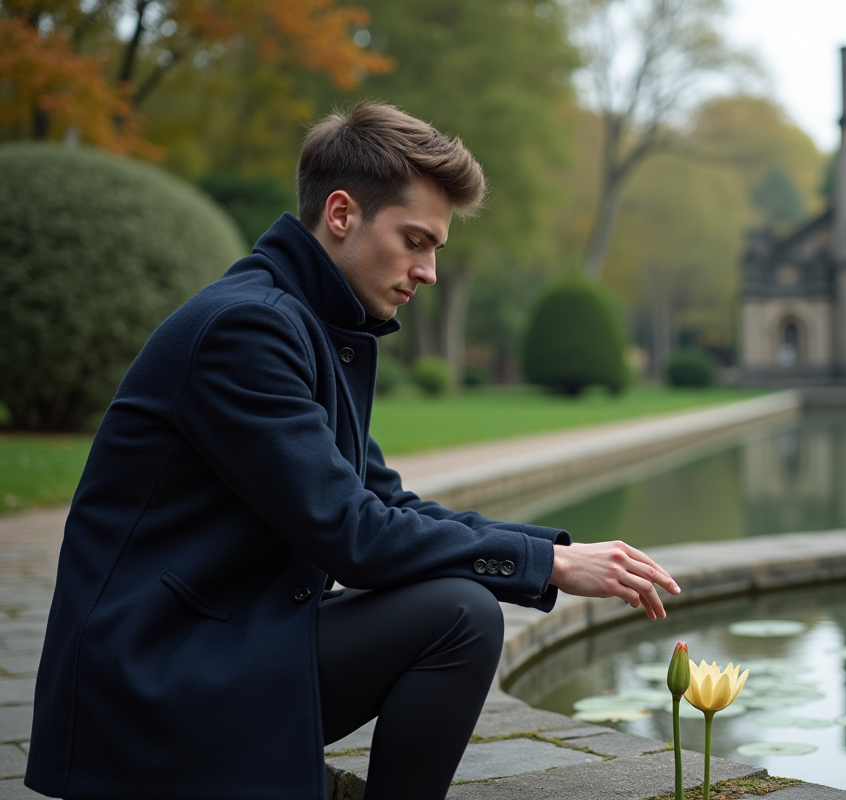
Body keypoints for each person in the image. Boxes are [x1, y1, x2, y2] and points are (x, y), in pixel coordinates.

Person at [24, 100, 679, 800]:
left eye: (435, 249)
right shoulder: (247, 329)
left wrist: (550, 551)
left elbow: (383, 502)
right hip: (147, 675)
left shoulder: (308, 324)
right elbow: (352, 535)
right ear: (340, 215)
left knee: (456, 603)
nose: (427, 270)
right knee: (459, 615)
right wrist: (546, 563)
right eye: (415, 240)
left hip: (224, 641)